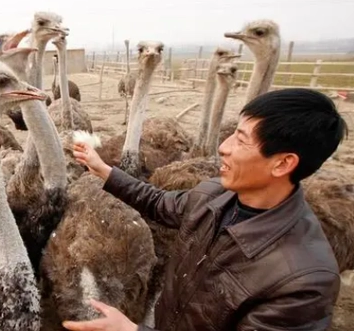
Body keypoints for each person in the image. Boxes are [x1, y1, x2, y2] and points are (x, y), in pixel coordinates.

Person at [63, 88, 349, 331]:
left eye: (241, 139)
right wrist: (103, 170)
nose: (223, 147)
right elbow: (158, 202)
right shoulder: (215, 194)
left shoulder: (304, 282)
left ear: (283, 163)